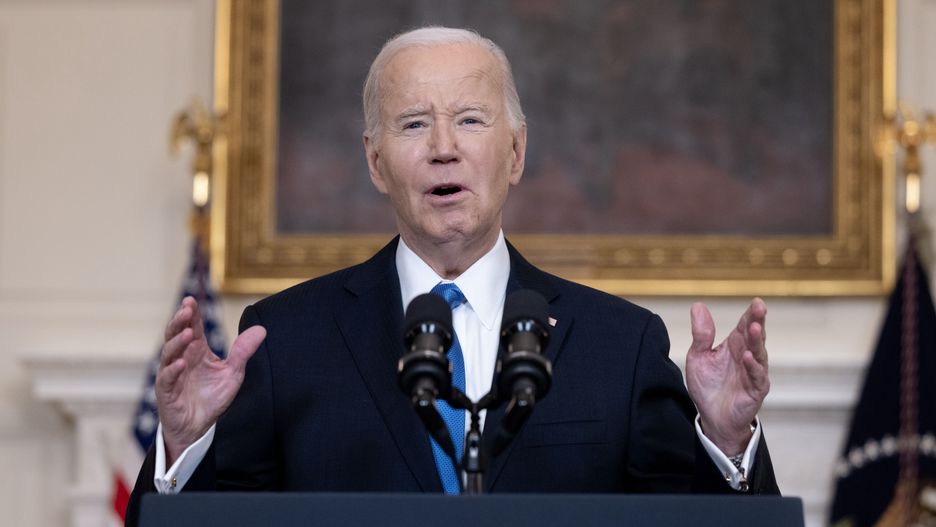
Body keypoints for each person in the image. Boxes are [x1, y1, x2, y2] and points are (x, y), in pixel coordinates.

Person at [126, 26, 778, 526]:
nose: (444, 145)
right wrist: (183, 448)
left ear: (516, 152)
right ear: (377, 162)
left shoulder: (621, 344)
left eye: (470, 119)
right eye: (414, 124)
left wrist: (727, 441)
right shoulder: (284, 340)